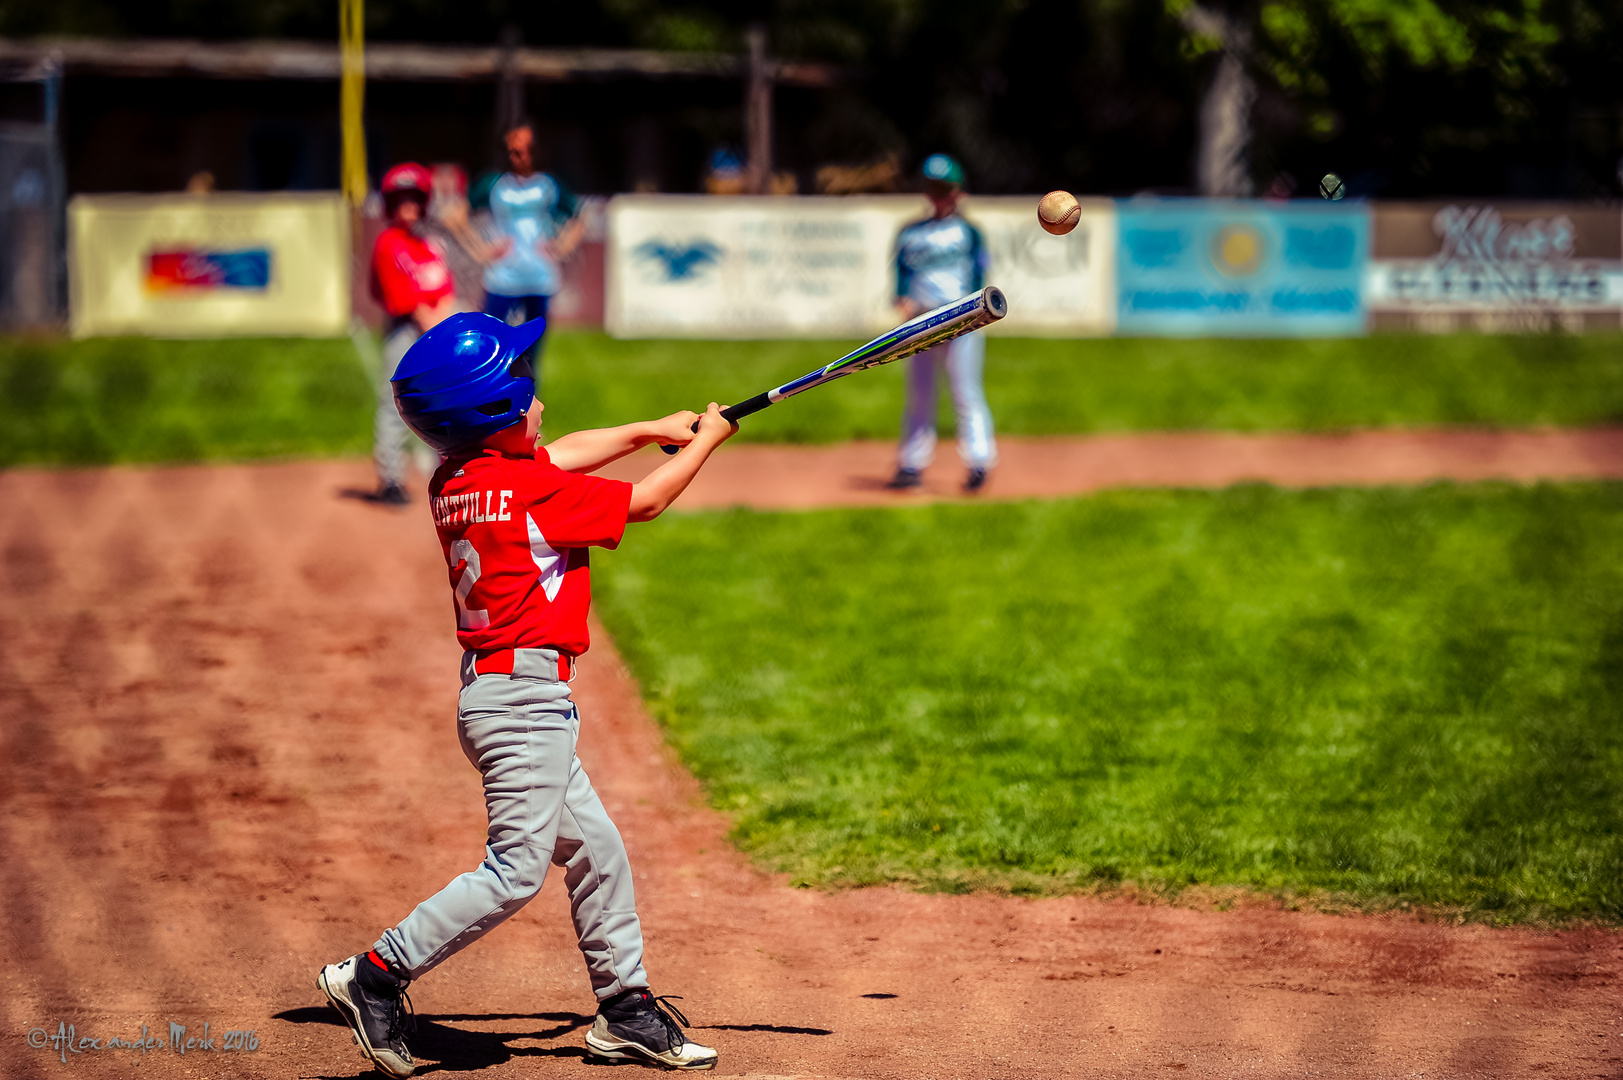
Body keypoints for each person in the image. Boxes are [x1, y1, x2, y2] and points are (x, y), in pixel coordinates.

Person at [315, 311, 737, 1077]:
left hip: (500, 698)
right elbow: (641, 503)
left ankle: (625, 1012)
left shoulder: (460, 476)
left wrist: (646, 426)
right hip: (524, 706)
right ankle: (374, 974)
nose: (537, 396)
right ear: (493, 414)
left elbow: (559, 458)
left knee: (597, 853)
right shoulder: (534, 492)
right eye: (523, 385)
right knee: (514, 869)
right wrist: (704, 442)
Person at [886, 153, 998, 493]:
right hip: (920, 322)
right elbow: (901, 273)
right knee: (920, 395)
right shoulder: (909, 232)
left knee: (966, 392)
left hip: (962, 320)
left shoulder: (969, 232)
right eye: (933, 188)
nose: (938, 195)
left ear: (957, 191)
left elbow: (980, 273)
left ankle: (979, 461)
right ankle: (911, 463)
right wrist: (902, 298)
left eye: (944, 188)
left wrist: (978, 313)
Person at [369, 162, 457, 503]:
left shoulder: (429, 244)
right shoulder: (387, 243)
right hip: (407, 332)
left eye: (414, 197)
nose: (408, 205)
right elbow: (411, 303)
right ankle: (391, 478)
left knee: (447, 400)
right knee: (395, 401)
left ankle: (455, 469)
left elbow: (445, 292)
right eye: (400, 198)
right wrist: (448, 338)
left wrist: (450, 328)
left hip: (438, 326)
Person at [482, 121, 584, 386]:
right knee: (492, 349)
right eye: (512, 150)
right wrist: (481, 249)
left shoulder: (549, 185)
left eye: (523, 150)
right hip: (502, 279)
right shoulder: (495, 184)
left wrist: (562, 246)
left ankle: (528, 411)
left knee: (530, 355)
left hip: (539, 279)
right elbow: (455, 214)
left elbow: (579, 216)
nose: (517, 156)